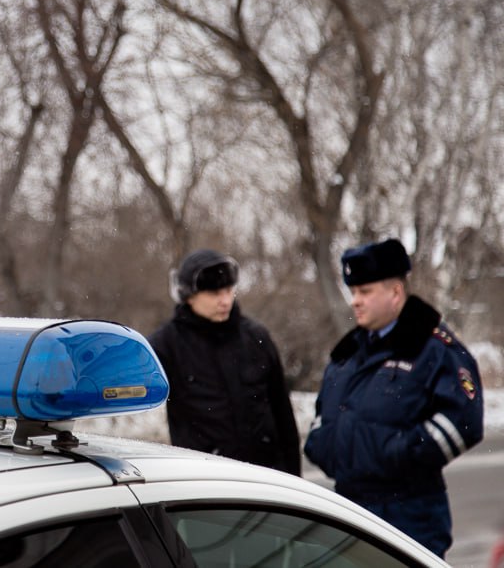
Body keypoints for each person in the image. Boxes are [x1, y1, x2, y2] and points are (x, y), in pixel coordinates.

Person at [304, 238, 484, 558]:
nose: (355, 302)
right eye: (353, 292)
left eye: (365, 292)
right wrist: (325, 447)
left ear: (395, 293)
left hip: (408, 518)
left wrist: (397, 456)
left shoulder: (433, 348)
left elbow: (464, 421)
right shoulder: (346, 355)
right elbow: (325, 415)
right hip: (351, 512)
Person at [148, 249, 301, 476]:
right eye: (214, 293)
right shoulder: (166, 344)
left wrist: (293, 480)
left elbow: (283, 414)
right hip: (208, 485)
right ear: (188, 295)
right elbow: (127, 387)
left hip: (268, 478)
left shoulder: (256, 337)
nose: (225, 300)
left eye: (229, 290)